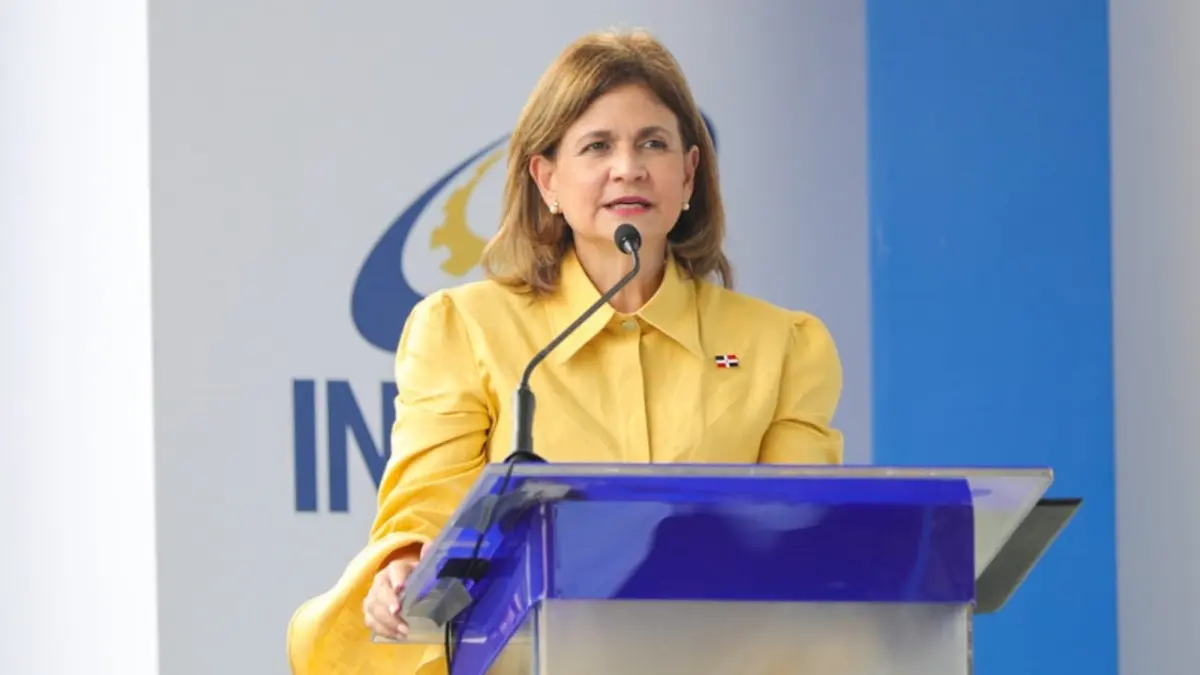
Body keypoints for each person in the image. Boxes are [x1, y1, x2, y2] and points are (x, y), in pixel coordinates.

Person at [286, 28, 844, 675]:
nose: (628, 167)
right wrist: (406, 564)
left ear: (689, 172)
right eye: (597, 145)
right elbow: (425, 510)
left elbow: (801, 545)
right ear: (546, 179)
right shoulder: (466, 329)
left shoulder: (783, 346)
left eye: (653, 143)